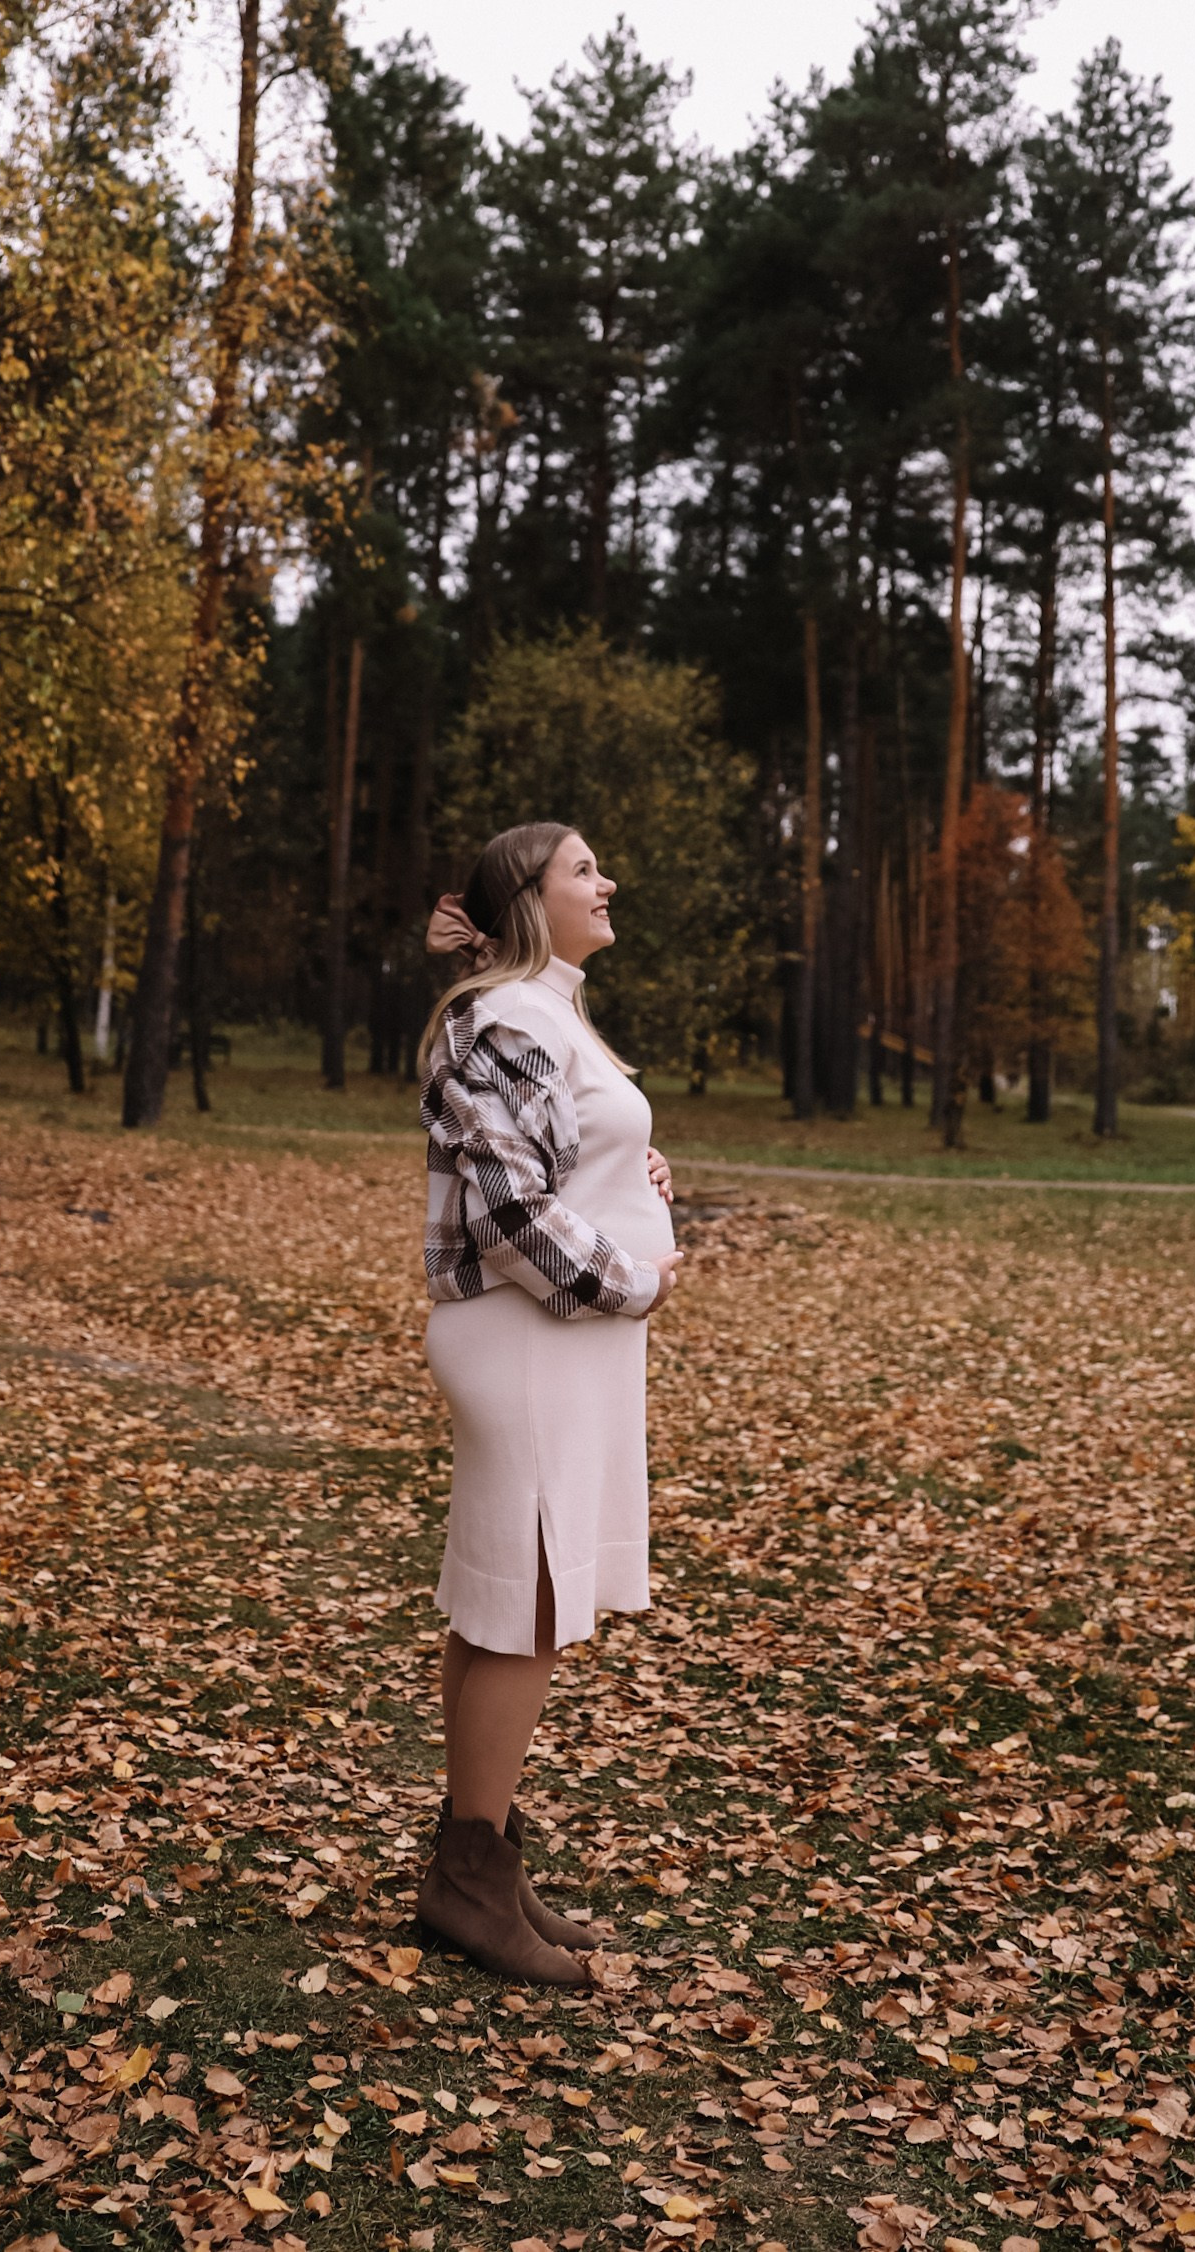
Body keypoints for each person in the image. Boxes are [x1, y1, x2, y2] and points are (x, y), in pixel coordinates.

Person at [413, 822, 684, 1986]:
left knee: (500, 1599)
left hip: (558, 1342)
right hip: (528, 1339)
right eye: (583, 868)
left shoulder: (549, 1010)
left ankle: (479, 1851)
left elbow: (561, 1160)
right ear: (531, 897)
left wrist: (640, 1175)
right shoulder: (509, 1017)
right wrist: (638, 1279)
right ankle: (469, 1877)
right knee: (525, 1599)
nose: (606, 880)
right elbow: (513, 1214)